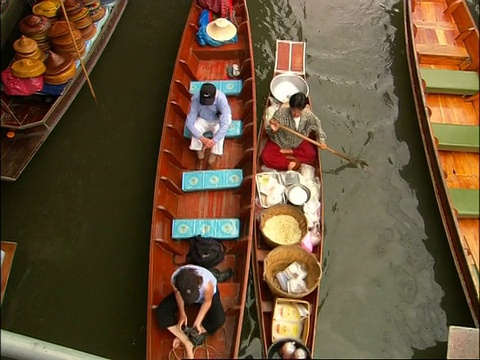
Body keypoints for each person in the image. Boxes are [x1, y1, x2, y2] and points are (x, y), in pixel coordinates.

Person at [156, 264, 225, 359]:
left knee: (219, 319)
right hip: (184, 297)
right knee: (161, 312)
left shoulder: (207, 284)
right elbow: (178, 294)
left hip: (206, 298)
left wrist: (198, 322)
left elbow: (207, 302)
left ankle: (195, 333)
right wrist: (182, 313)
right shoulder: (175, 279)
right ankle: (186, 341)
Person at [261, 92, 327, 171]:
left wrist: (322, 141)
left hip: (297, 141)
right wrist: (273, 129)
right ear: (290, 107)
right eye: (293, 111)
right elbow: (269, 131)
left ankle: (289, 153)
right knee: (266, 157)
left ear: (303, 108)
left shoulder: (308, 115)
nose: (295, 113)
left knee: (311, 154)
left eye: (298, 111)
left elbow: (317, 126)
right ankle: (290, 164)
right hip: (280, 141)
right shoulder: (280, 114)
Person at [185, 83, 232, 168]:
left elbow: (225, 124)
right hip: (203, 119)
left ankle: (212, 159)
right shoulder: (196, 98)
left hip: (218, 120)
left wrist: (212, 141)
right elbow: (189, 122)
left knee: (220, 133)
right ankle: (200, 156)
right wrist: (202, 138)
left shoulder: (221, 99)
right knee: (195, 129)